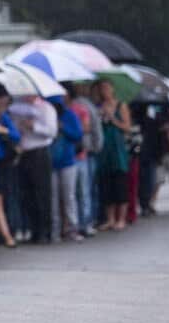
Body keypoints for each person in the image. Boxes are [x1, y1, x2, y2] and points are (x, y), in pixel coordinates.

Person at [11, 96, 57, 244]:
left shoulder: (46, 108)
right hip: (25, 152)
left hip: (39, 151)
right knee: (27, 193)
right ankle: (33, 229)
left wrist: (34, 126)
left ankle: (45, 230)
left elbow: (52, 131)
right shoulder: (18, 108)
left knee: (42, 193)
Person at [67, 83, 102, 237]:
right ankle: (76, 224)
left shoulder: (82, 107)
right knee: (75, 193)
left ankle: (85, 222)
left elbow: (87, 128)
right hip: (69, 156)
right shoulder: (62, 109)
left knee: (84, 190)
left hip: (81, 153)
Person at [96, 79, 132, 231]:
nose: (104, 91)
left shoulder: (121, 105)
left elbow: (127, 127)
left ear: (112, 89)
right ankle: (110, 219)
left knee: (120, 184)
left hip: (117, 149)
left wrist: (113, 118)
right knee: (107, 184)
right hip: (104, 149)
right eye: (101, 89)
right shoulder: (99, 106)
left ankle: (121, 218)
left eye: (106, 88)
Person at [49, 95, 84, 243]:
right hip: (51, 163)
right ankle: (55, 230)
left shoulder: (70, 115)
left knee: (69, 197)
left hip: (68, 161)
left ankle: (72, 228)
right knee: (54, 198)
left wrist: (63, 127)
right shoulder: (47, 114)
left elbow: (78, 134)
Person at [0, 95, 20, 248]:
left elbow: (16, 136)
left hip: (1, 164)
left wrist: (1, 130)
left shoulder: (4, 118)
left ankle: (7, 236)